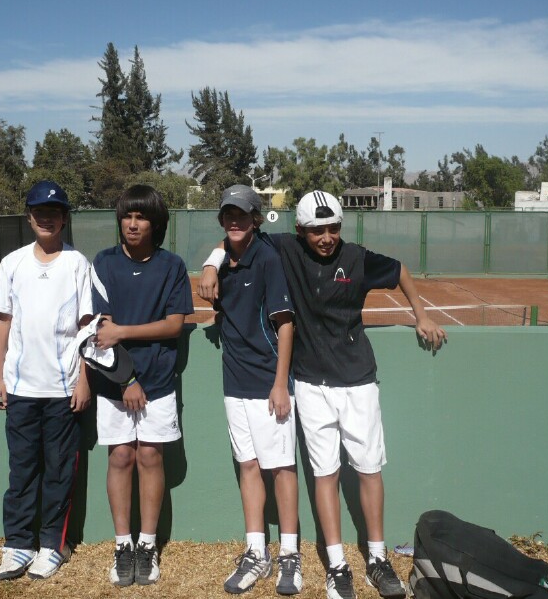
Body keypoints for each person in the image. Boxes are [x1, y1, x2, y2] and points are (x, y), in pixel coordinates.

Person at [199, 190, 447, 599]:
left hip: (359, 381)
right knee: (325, 474)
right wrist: (211, 263)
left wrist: (421, 315)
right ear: (300, 231)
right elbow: (236, 234)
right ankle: (336, 564)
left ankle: (378, 558)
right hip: (310, 385)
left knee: (369, 469)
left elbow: (400, 270)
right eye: (317, 230)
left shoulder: (357, 258)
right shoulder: (285, 249)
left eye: (333, 228)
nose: (326, 237)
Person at [90, 184, 193, 587]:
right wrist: (127, 378)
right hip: (115, 384)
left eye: (141, 217)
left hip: (160, 384)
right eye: (127, 216)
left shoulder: (171, 266)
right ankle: (123, 544)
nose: (132, 224)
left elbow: (173, 324)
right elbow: (98, 329)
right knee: (120, 458)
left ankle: (147, 545)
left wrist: (124, 332)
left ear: (155, 223)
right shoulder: (103, 263)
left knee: (150, 456)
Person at [0, 180, 93, 581]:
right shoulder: (12, 263)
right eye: (39, 211)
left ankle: (52, 545)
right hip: (20, 389)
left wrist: (84, 380)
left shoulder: (78, 264)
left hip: (64, 390)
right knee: (21, 471)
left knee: (59, 472)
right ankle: (17, 544)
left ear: (64, 218)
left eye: (54, 212)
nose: (46, 218)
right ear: (29, 216)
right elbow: (3, 320)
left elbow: (88, 328)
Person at [212, 185, 302, 595]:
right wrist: (211, 263)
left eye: (242, 215)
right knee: (248, 465)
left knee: (281, 468)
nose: (235, 221)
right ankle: (255, 552)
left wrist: (280, 384)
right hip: (234, 383)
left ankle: (289, 555)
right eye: (228, 214)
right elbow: (223, 248)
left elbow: (285, 324)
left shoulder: (267, 258)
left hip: (269, 384)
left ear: (254, 218)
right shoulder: (225, 259)